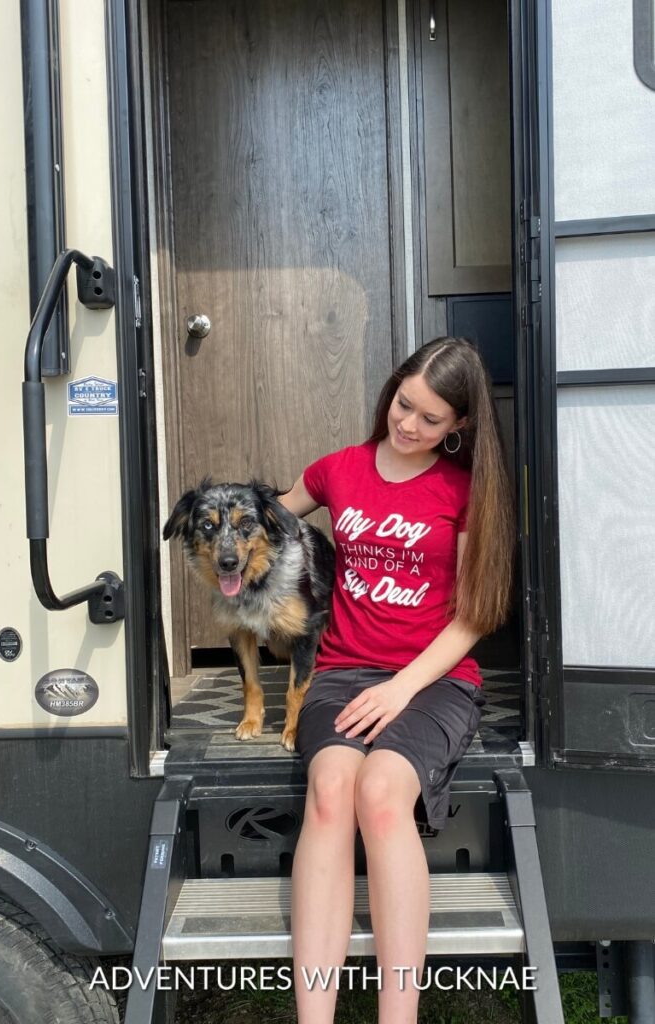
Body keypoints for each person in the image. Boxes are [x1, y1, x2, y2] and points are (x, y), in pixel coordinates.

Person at [278, 336, 515, 1024]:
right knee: (331, 790)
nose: (408, 425)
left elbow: (472, 618)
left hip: (435, 678)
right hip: (342, 670)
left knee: (382, 792)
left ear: (459, 427)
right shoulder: (337, 470)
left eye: (431, 419)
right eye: (403, 405)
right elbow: (264, 515)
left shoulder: (466, 491)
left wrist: (401, 686)